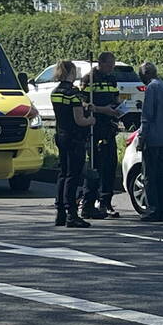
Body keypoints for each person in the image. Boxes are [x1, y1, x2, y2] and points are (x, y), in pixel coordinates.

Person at [51, 60, 95, 228]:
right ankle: (72, 214)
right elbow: (79, 120)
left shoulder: (56, 92)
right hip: (75, 138)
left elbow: (67, 110)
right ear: (71, 73)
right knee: (73, 175)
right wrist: (91, 119)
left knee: (62, 173)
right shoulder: (73, 93)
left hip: (61, 135)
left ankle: (60, 213)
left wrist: (82, 105)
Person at [79, 51, 123, 219]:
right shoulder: (89, 78)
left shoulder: (112, 79)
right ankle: (89, 200)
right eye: (110, 65)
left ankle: (106, 201)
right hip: (94, 127)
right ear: (101, 63)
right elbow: (83, 103)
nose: (112, 68)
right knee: (95, 165)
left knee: (110, 164)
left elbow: (115, 97)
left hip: (109, 127)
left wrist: (119, 107)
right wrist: (101, 109)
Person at [136, 61, 163, 222]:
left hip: (153, 138)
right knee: (161, 174)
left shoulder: (151, 88)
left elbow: (147, 117)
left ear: (145, 74)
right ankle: (161, 209)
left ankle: (152, 209)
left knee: (149, 175)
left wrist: (141, 138)